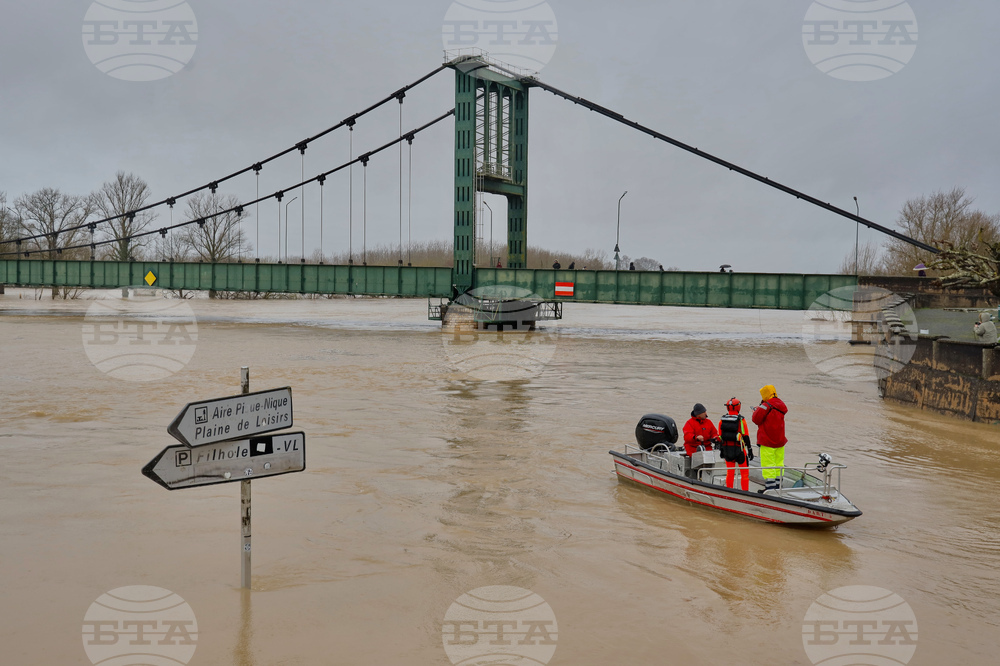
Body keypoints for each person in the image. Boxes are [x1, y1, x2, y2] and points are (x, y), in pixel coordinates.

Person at [751, 385, 787, 493]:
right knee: (779, 463)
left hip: (767, 440)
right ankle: (778, 486)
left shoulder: (765, 405)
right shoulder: (781, 404)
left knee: (768, 465)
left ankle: (770, 488)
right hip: (780, 440)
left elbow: (756, 419)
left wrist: (756, 411)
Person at [718, 398, 753, 491]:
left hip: (727, 450)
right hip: (740, 451)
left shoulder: (722, 420)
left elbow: (720, 436)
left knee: (730, 472)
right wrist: (750, 449)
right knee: (744, 473)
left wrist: (722, 450)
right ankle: (745, 492)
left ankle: (729, 491)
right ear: (738, 407)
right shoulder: (741, 420)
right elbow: (746, 436)